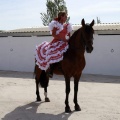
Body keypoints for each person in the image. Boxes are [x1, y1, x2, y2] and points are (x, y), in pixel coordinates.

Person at [35, 11, 72, 78]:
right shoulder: (56, 24)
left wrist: (68, 39)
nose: (66, 17)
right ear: (61, 16)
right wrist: (61, 39)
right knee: (51, 53)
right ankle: (51, 70)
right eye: (65, 16)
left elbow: (69, 35)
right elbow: (53, 34)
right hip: (57, 42)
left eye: (66, 16)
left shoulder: (67, 25)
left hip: (64, 42)